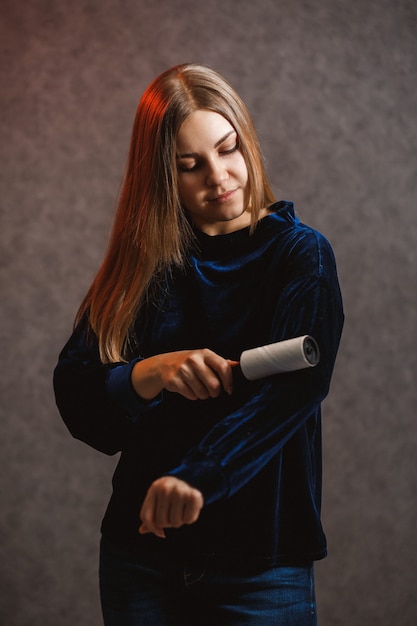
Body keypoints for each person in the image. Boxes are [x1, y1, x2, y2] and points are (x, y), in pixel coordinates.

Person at [53, 63, 344, 626]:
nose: (220, 177)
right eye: (191, 166)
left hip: (261, 568)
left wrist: (197, 476)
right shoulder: (144, 268)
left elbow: (291, 395)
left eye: (228, 149)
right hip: (140, 563)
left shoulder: (300, 257)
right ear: (163, 177)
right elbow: (78, 399)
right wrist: (149, 373)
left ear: (247, 142)